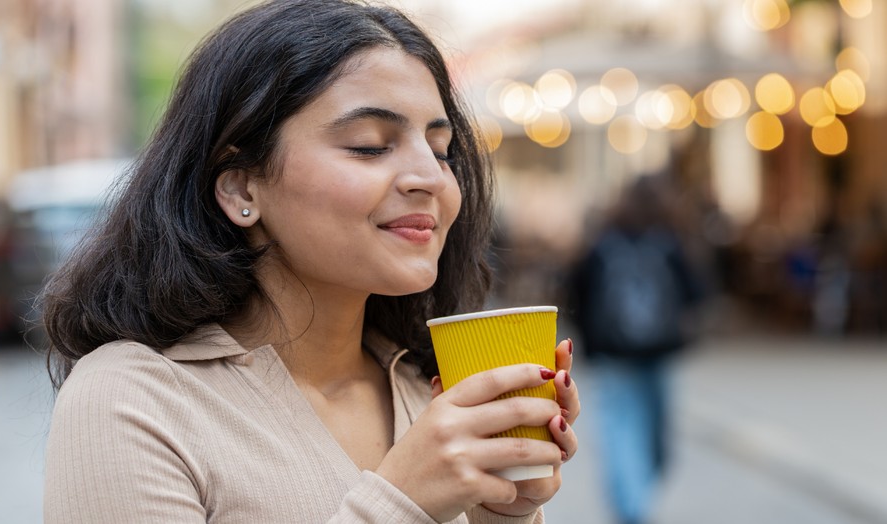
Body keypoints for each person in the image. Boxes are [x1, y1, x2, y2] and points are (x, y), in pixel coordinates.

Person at [40, 1, 579, 522]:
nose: (432, 178)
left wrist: (503, 510)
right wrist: (404, 502)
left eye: (441, 150)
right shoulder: (132, 401)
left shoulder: (427, 387)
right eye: (370, 145)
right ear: (240, 186)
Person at [567, 175, 703, 524]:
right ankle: (637, 499)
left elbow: (576, 290)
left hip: (612, 352)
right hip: (660, 351)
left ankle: (631, 502)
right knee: (656, 431)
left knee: (620, 429)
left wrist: (588, 339)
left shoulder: (603, 243)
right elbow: (697, 291)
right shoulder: (671, 243)